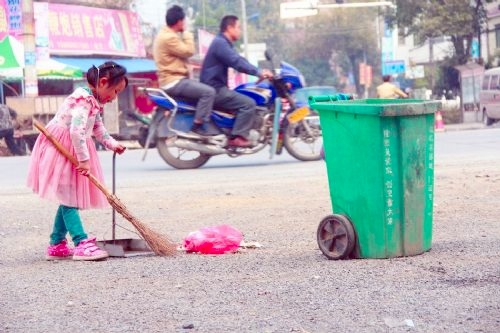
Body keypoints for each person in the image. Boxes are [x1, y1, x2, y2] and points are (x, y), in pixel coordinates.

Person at [27, 61, 128, 261]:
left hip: (74, 146)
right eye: (115, 92)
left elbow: (97, 127)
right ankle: (80, 242)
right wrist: (84, 160)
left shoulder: (93, 101)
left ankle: (56, 244)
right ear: (103, 82)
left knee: (68, 197)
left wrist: (112, 143)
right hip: (61, 149)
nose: (115, 98)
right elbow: (76, 130)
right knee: (69, 198)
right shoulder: (83, 100)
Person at [200, 15, 272, 148]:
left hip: (215, 87)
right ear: (229, 28)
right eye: (238, 27)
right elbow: (236, 62)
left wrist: (258, 71)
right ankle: (238, 137)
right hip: (214, 88)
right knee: (248, 104)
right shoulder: (220, 43)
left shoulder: (223, 43)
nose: (240, 31)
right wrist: (258, 72)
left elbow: (239, 59)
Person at [153, 5, 218, 137]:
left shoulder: (167, 35)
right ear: (179, 22)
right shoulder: (168, 37)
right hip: (174, 82)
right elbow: (188, 51)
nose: (185, 23)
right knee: (209, 92)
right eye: (184, 21)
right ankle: (198, 125)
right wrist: (187, 33)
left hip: (174, 80)